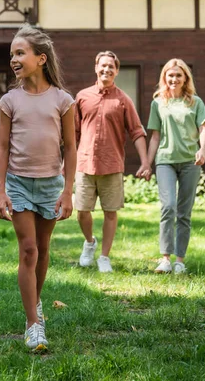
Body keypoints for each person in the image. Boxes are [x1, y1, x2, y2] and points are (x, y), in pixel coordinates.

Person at [0, 24, 76, 352]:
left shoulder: (62, 100)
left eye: (20, 53)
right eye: (12, 54)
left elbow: (70, 148)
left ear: (41, 58)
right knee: (28, 250)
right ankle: (33, 325)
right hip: (18, 184)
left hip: (50, 185)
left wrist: (68, 190)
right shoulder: (9, 100)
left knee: (42, 249)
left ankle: (36, 304)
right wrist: (0, 191)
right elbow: (1, 148)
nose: (13, 59)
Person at [75, 50, 150, 273]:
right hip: (84, 163)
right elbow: (73, 134)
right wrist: (64, 162)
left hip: (112, 164)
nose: (106, 69)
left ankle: (104, 257)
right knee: (81, 210)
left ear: (116, 71)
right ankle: (89, 242)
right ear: (96, 67)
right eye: (103, 65)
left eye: (111, 67)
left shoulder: (123, 100)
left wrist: (145, 162)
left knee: (110, 212)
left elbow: (137, 132)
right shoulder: (82, 97)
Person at [147, 58, 205, 274]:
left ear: (185, 79)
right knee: (168, 207)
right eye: (170, 75)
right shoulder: (157, 103)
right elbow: (155, 136)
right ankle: (165, 259)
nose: (174, 79)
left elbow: (203, 128)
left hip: (190, 162)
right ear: (164, 77)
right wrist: (147, 163)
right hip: (165, 160)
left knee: (184, 212)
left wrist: (202, 150)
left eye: (178, 75)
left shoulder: (195, 102)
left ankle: (179, 261)